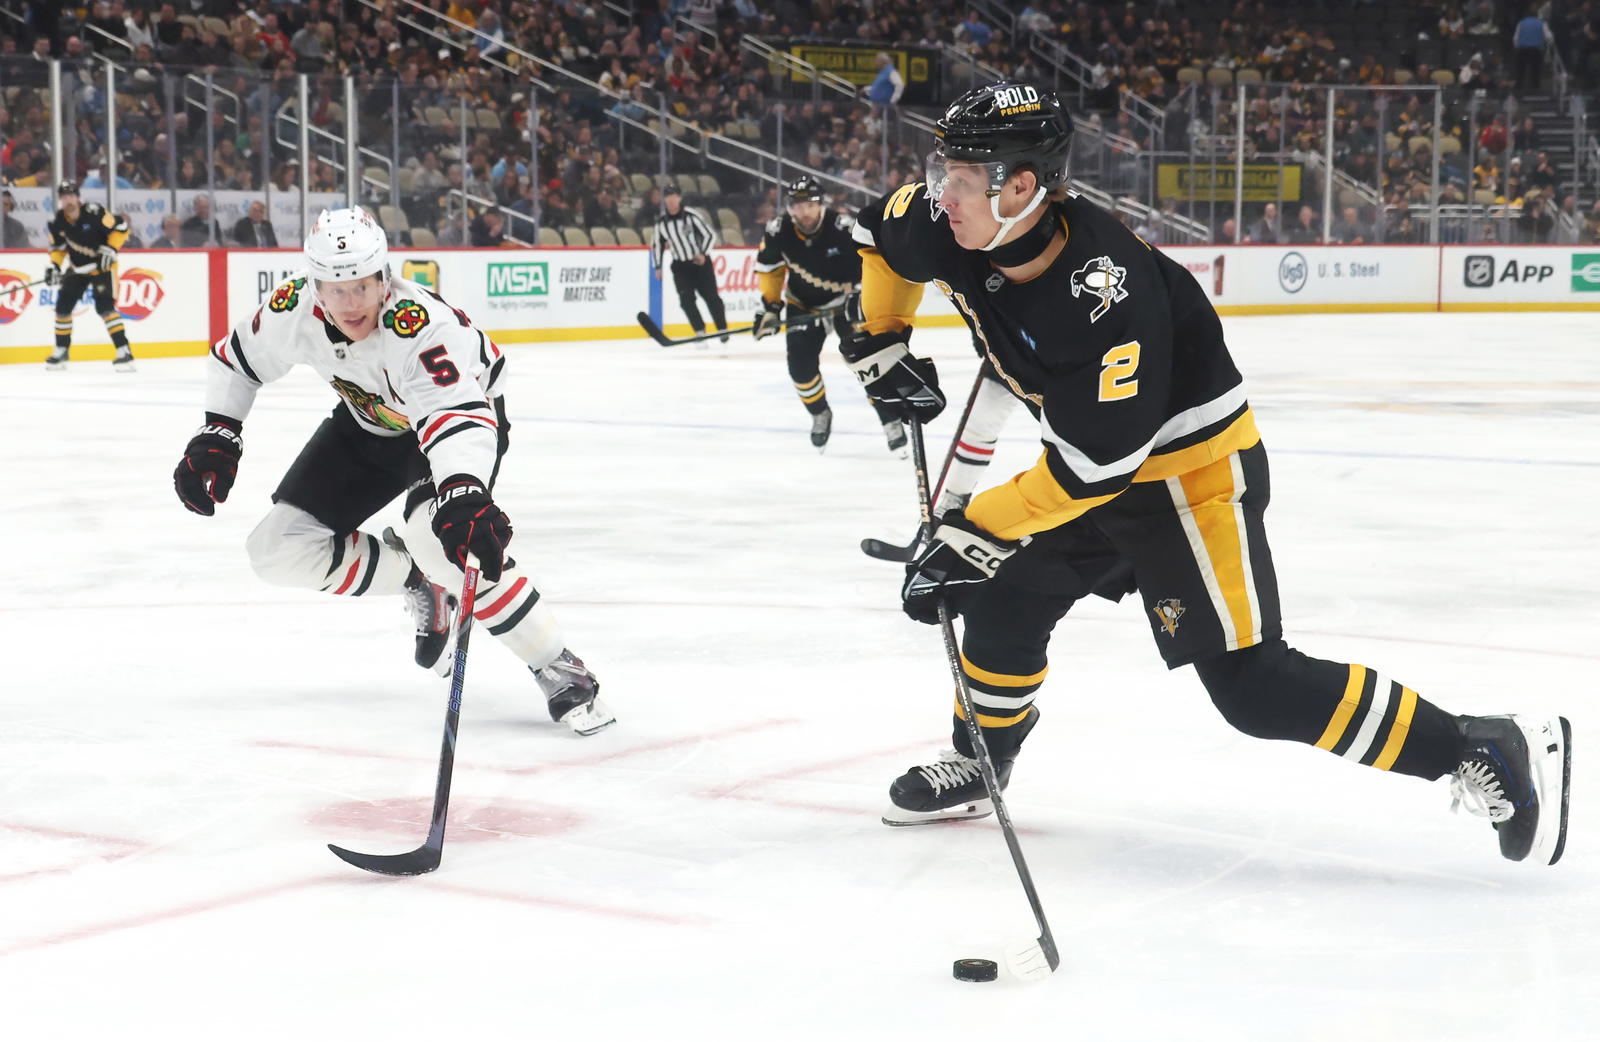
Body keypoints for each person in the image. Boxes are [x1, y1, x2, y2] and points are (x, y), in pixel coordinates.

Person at [845, 82, 1571, 866]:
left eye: (958, 176)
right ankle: (982, 761)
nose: (938, 192)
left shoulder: (1106, 293)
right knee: (1006, 605)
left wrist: (976, 530)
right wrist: (881, 340)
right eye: (941, 168)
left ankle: (1478, 746)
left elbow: (1097, 469)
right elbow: (875, 238)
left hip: (1188, 482)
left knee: (1256, 690)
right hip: (1094, 466)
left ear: (1020, 187)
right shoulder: (951, 218)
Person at [170, 206, 614, 736]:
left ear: (385, 276)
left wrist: (463, 492)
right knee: (276, 550)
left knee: (438, 539)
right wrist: (219, 433)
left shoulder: (420, 326)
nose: (351, 302)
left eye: (363, 285)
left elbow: (456, 414)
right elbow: (235, 360)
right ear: (316, 287)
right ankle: (419, 582)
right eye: (336, 289)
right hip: (371, 423)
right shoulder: (293, 308)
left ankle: (558, 664)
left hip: (457, 420)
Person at [754, 176, 909, 455]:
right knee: (800, 368)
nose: (804, 212)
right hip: (804, 304)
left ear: (821, 204)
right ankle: (819, 413)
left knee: (869, 362)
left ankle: (890, 419)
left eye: (810, 204)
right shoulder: (778, 231)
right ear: (790, 207)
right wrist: (770, 307)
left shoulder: (844, 228)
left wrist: (860, 294)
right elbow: (770, 270)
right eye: (797, 206)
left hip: (846, 303)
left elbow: (871, 263)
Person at [43, 180, 136, 372]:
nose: (68, 200)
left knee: (105, 308)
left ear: (78, 197)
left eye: (71, 195)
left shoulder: (95, 212)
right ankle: (61, 350)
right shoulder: (58, 221)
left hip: (102, 267)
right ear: (61, 200)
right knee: (63, 307)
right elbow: (58, 249)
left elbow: (122, 228)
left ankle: (123, 351)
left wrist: (110, 249)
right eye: (64, 196)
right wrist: (54, 266)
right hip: (77, 268)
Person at [650, 185, 726, 342]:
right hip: (680, 266)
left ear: (679, 198)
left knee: (711, 297)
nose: (671, 200)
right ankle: (699, 330)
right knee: (686, 300)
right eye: (668, 197)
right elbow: (657, 244)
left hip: (699, 264)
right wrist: (657, 266)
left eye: (674, 197)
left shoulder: (691, 216)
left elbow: (710, 235)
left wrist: (703, 253)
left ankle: (722, 329)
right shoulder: (662, 223)